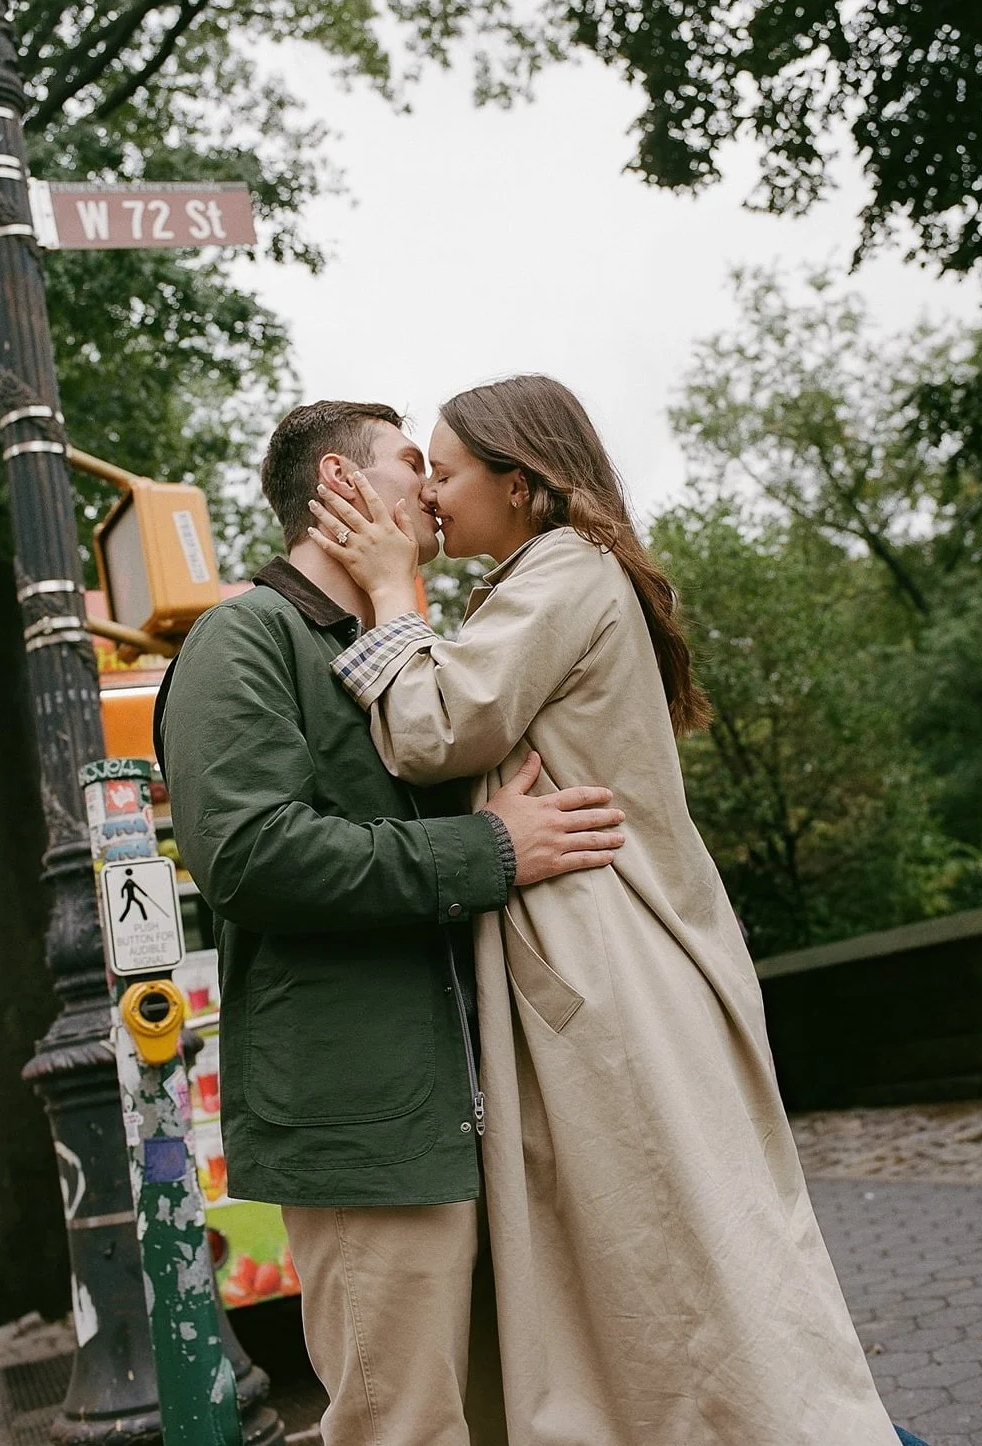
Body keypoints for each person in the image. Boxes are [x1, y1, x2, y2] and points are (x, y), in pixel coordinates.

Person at [309, 375, 931, 1446]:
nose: (434, 494)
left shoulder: (557, 572)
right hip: (597, 958)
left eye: (447, 470)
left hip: (600, 963)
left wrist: (392, 595)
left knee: (668, 1254)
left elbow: (429, 728)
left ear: (521, 483)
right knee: (657, 1257)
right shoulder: (554, 575)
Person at [153, 399, 627, 1446]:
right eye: (411, 460)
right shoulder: (244, 638)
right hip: (360, 1124)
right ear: (338, 483)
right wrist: (488, 850)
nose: (431, 484)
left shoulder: (398, 650)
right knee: (399, 1426)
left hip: (472, 1118)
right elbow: (249, 856)